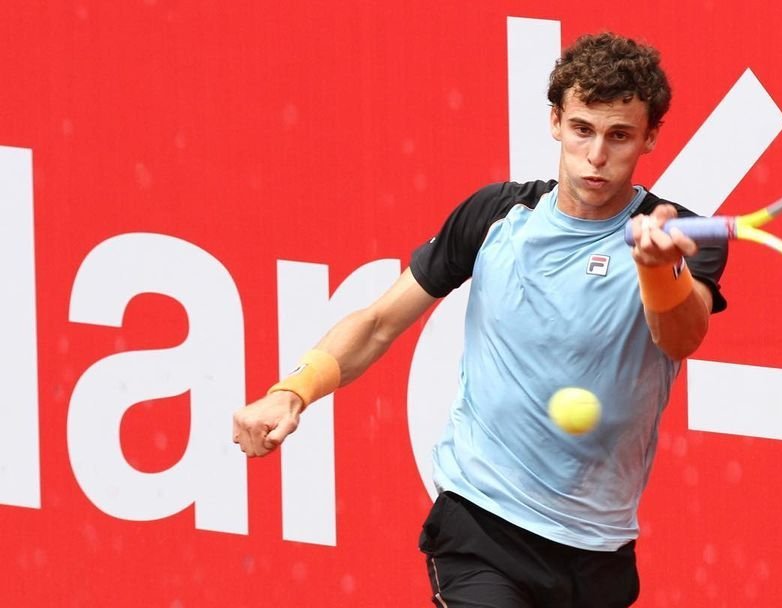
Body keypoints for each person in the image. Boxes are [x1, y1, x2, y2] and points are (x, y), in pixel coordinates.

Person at [233, 32, 727, 607]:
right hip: (482, 527)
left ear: (649, 138)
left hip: (598, 549)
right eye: (582, 130)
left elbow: (681, 336)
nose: (596, 156)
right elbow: (378, 323)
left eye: (618, 136)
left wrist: (658, 271)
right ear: (555, 123)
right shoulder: (496, 216)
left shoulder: (682, 236)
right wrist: (292, 391)